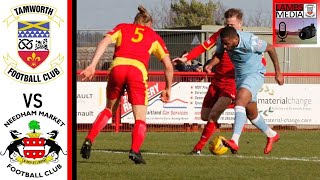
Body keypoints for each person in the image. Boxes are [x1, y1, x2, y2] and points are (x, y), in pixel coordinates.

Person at [80, 6, 173, 164]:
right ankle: (135, 151)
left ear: (135, 21)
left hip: (117, 67)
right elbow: (169, 67)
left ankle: (89, 140)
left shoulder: (122, 27)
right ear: (149, 24)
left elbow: (104, 42)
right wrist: (168, 88)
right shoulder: (153, 35)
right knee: (140, 118)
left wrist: (92, 65)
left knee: (109, 110)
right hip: (137, 71)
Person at [173, 8, 268, 155]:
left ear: (240, 23)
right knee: (206, 116)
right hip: (217, 80)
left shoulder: (249, 40)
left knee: (214, 114)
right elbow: (204, 47)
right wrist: (190, 59)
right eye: (226, 24)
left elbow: (261, 61)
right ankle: (222, 129)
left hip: (232, 82)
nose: (228, 28)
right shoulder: (222, 35)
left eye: (232, 25)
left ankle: (198, 148)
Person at [215, 26, 284, 154]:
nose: (224, 46)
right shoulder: (222, 41)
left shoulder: (250, 41)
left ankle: (234, 141)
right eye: (223, 43)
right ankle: (272, 134)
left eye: (227, 43)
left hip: (255, 74)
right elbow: (218, 55)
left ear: (235, 39)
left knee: (240, 101)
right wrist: (210, 65)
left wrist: (278, 72)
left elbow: (271, 48)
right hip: (240, 78)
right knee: (252, 114)